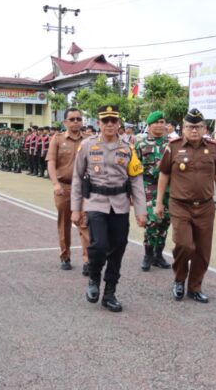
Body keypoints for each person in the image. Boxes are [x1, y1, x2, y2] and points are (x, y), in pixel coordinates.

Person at [71, 105, 147, 312]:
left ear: (119, 124)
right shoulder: (87, 146)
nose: (110, 124)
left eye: (114, 120)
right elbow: (77, 178)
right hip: (95, 202)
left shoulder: (128, 148)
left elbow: (136, 180)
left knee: (119, 247)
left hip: (120, 204)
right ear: (99, 123)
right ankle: (94, 279)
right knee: (99, 244)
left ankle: (110, 292)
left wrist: (141, 211)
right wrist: (75, 208)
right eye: (106, 121)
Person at [155, 108, 216, 303]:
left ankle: (195, 286)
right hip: (180, 205)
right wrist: (158, 203)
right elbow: (164, 174)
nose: (194, 130)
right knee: (184, 244)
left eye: (198, 127)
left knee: (203, 251)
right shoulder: (172, 147)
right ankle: (179, 279)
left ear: (205, 128)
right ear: (183, 128)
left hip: (205, 207)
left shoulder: (213, 148)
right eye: (190, 127)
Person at [47, 108, 90, 274]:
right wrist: (55, 184)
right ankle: (65, 256)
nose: (76, 122)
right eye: (72, 119)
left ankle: (88, 260)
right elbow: (51, 163)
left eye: (78, 119)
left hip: (84, 188)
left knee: (85, 222)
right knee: (64, 223)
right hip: (64, 187)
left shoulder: (89, 140)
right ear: (65, 122)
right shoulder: (57, 139)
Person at [134, 110, 172, 271]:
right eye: (156, 122)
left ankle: (158, 254)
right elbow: (134, 170)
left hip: (169, 188)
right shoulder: (141, 143)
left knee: (164, 221)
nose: (159, 125)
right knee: (151, 221)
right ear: (149, 125)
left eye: (162, 122)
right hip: (148, 186)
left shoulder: (172, 143)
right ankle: (148, 254)